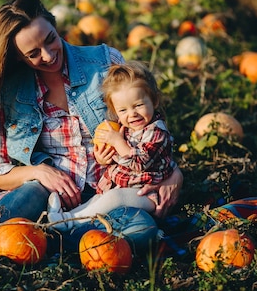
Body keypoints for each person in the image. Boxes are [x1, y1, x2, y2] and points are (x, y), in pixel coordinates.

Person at [0, 0, 183, 253]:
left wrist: (174, 175)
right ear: (17, 57)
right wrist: (39, 172)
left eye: (50, 39)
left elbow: (149, 127)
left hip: (106, 193)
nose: (48, 55)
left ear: (54, 24)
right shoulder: (8, 91)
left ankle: (42, 234)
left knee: (142, 231)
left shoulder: (104, 61)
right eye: (33, 53)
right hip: (42, 191)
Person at [46, 61, 177, 230]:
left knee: (114, 197)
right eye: (123, 110)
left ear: (154, 101)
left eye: (138, 105)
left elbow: (140, 162)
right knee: (98, 200)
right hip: (125, 189)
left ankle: (69, 221)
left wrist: (118, 142)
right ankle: (62, 219)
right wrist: (103, 158)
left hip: (147, 195)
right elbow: (118, 157)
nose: (132, 114)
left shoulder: (157, 132)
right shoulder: (126, 129)